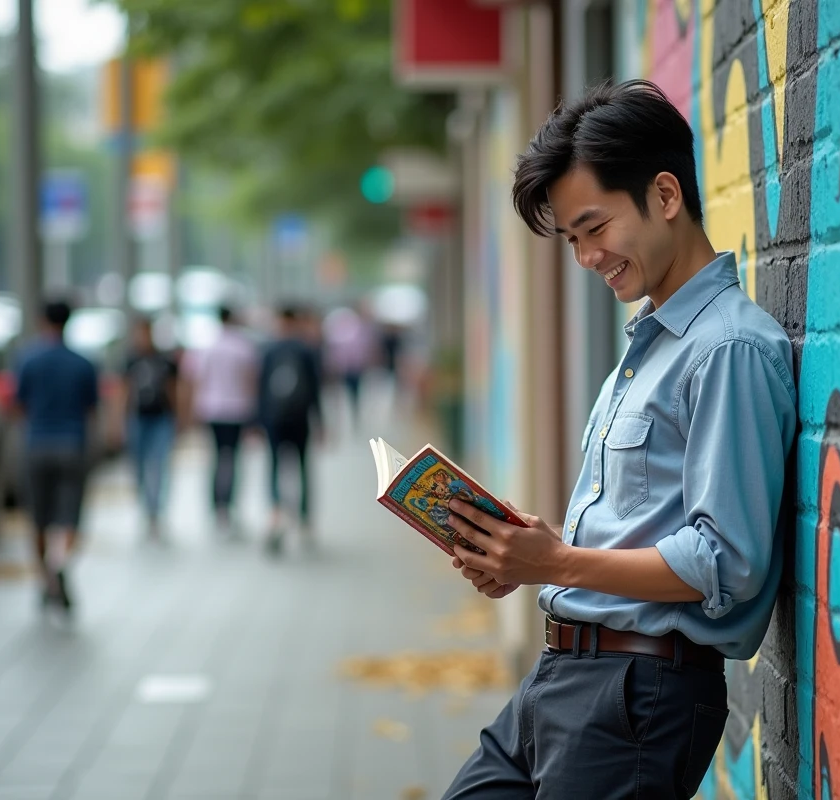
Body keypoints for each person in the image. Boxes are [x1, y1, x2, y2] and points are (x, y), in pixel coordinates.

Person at [441, 80, 798, 799]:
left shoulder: (728, 348)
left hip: (638, 696)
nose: (586, 258)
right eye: (573, 239)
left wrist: (561, 562)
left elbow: (726, 561)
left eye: (594, 229)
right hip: (562, 682)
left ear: (665, 196)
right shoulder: (649, 346)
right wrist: (527, 555)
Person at [14, 300, 99, 614]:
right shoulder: (83, 362)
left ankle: (44, 579)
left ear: (41, 320)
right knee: (69, 518)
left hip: (37, 444)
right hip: (73, 445)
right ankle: (59, 566)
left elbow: (18, 404)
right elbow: (92, 409)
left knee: (38, 519)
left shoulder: (27, 359)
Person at [180, 305, 258, 533]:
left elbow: (194, 379)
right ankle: (229, 504)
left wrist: (191, 411)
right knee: (232, 458)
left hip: (211, 410)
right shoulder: (242, 346)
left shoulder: (207, 345)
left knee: (216, 458)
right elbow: (250, 380)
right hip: (237, 409)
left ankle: (217, 506)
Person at [258, 304, 323, 554]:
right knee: (303, 468)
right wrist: (320, 422)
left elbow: (261, 389)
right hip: (300, 419)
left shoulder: (268, 350)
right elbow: (315, 389)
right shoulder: (306, 350)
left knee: (274, 466)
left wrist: (258, 421)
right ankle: (305, 521)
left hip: (274, 420)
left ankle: (276, 513)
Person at [121, 316, 177, 539]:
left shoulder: (164, 361)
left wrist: (180, 417)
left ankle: (155, 512)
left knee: (159, 466)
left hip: (161, 419)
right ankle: (146, 508)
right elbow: (123, 391)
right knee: (139, 467)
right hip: (138, 419)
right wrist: (119, 422)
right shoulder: (130, 361)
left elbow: (173, 389)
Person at [322, 303, 375, 429]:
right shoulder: (342, 330)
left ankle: (353, 414)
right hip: (344, 368)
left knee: (354, 391)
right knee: (343, 392)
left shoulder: (359, 329)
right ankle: (344, 416)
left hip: (355, 367)